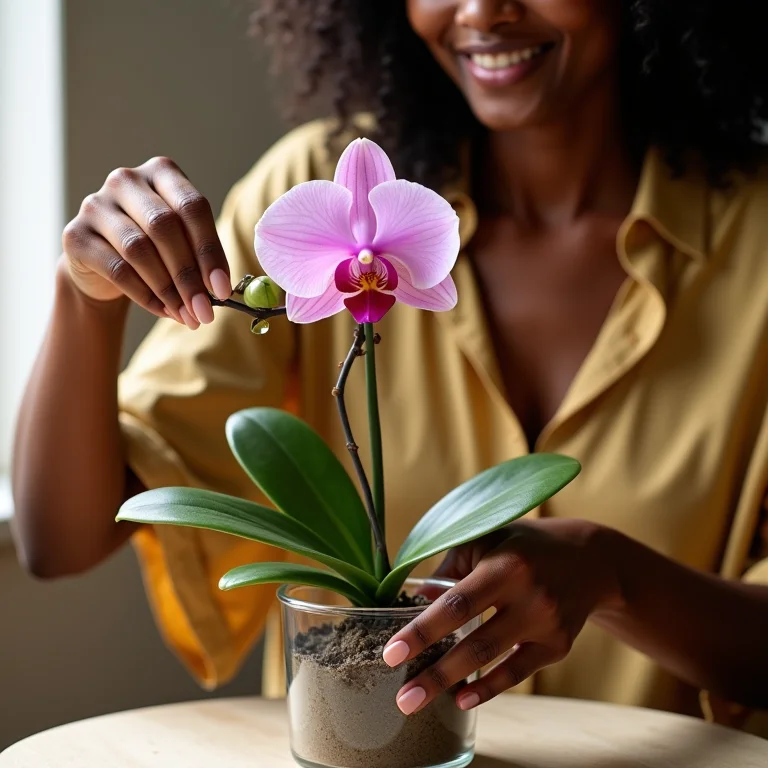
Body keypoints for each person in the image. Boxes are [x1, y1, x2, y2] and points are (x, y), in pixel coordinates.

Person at [11, 0, 768, 729]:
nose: (482, 10)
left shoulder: (755, 246)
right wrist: (85, 299)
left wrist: (614, 575)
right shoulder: (308, 181)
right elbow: (60, 539)